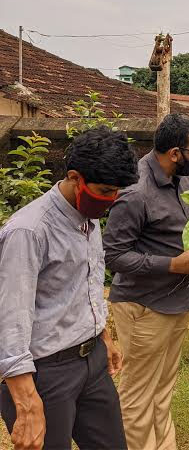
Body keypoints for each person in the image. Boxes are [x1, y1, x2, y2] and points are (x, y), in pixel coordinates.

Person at [0, 128, 139, 450]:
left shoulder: (87, 219)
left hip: (91, 362)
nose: (111, 200)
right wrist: (26, 401)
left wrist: (103, 336)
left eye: (117, 191)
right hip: (46, 372)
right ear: (76, 178)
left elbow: (85, 285)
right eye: (105, 190)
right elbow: (10, 319)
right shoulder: (29, 231)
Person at [104, 113, 189, 450]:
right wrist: (173, 264)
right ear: (174, 153)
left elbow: (183, 236)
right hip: (145, 307)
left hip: (176, 303)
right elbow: (113, 255)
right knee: (138, 396)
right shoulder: (136, 192)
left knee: (163, 391)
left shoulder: (185, 184)